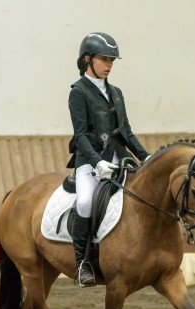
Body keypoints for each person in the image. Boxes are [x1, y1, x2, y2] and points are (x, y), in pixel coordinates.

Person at [68, 32, 151, 287]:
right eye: (104, 59)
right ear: (87, 59)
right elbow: (80, 135)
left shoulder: (116, 92)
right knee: (84, 202)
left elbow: (125, 132)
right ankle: (83, 262)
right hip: (90, 162)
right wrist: (96, 162)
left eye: (112, 61)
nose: (109, 65)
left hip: (119, 159)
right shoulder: (78, 92)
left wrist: (145, 156)